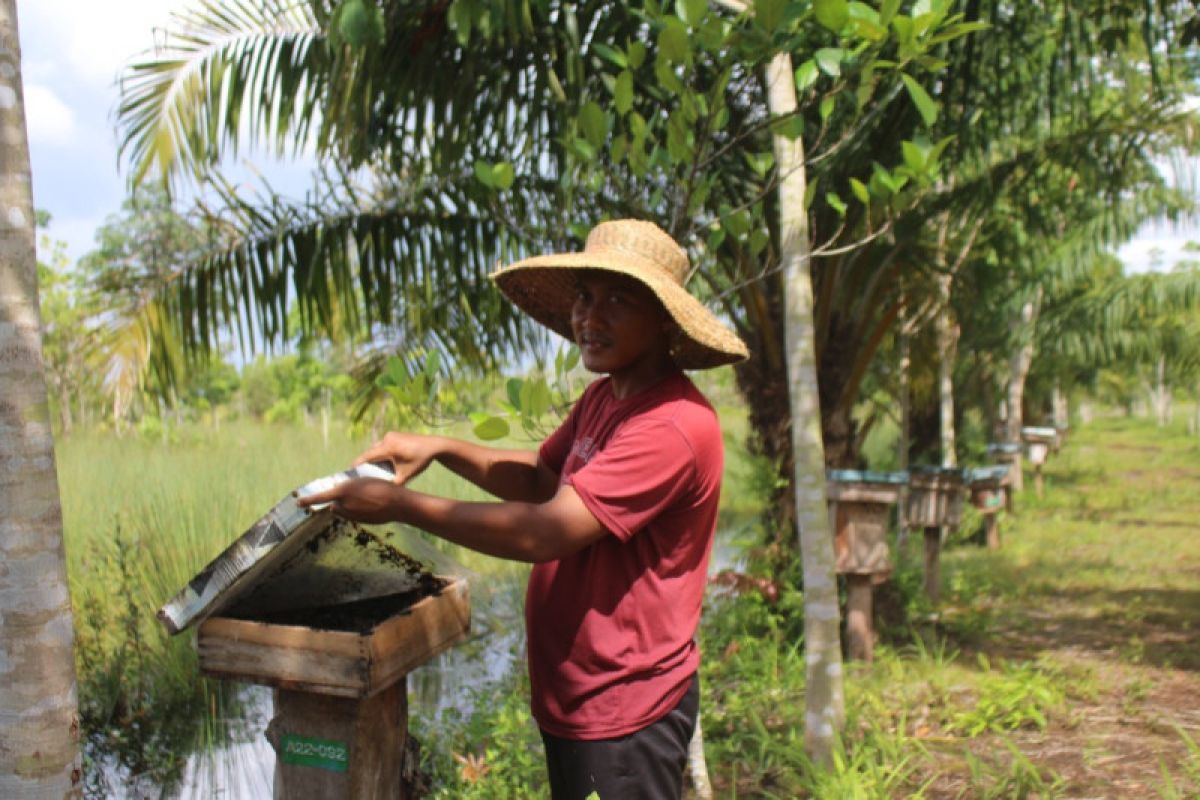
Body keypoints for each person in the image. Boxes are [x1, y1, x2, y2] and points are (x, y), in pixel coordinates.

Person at [299, 219, 748, 799]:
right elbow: (541, 479)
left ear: (663, 317)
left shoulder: (674, 426)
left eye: (618, 299)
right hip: (579, 698)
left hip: (626, 713)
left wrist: (401, 505)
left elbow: (547, 532)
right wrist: (439, 448)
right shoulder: (604, 396)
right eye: (585, 297)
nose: (590, 317)